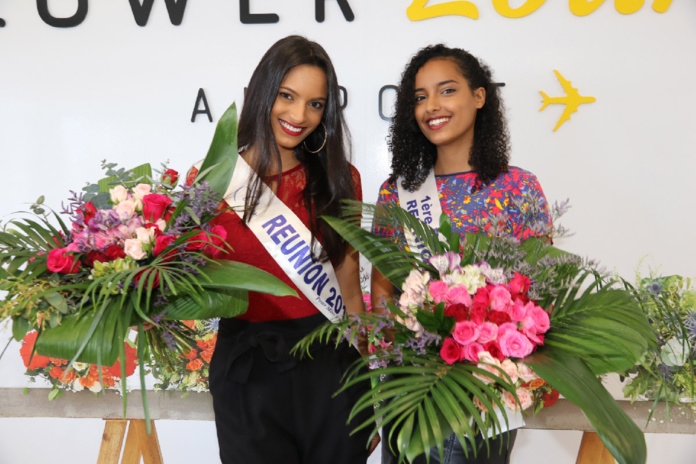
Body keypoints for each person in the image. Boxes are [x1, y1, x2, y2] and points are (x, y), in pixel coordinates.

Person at [188, 35, 376, 464]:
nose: (299, 115)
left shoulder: (340, 179)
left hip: (331, 364)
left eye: (315, 103)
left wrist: (371, 388)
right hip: (246, 369)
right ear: (261, 93)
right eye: (287, 96)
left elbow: (349, 288)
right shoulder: (213, 181)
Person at [372, 44, 553, 464]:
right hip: (411, 391)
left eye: (446, 90)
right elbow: (382, 285)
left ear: (479, 96)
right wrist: (392, 359)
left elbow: (537, 290)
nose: (431, 106)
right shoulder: (395, 191)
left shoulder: (518, 188)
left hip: (484, 394)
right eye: (420, 97)